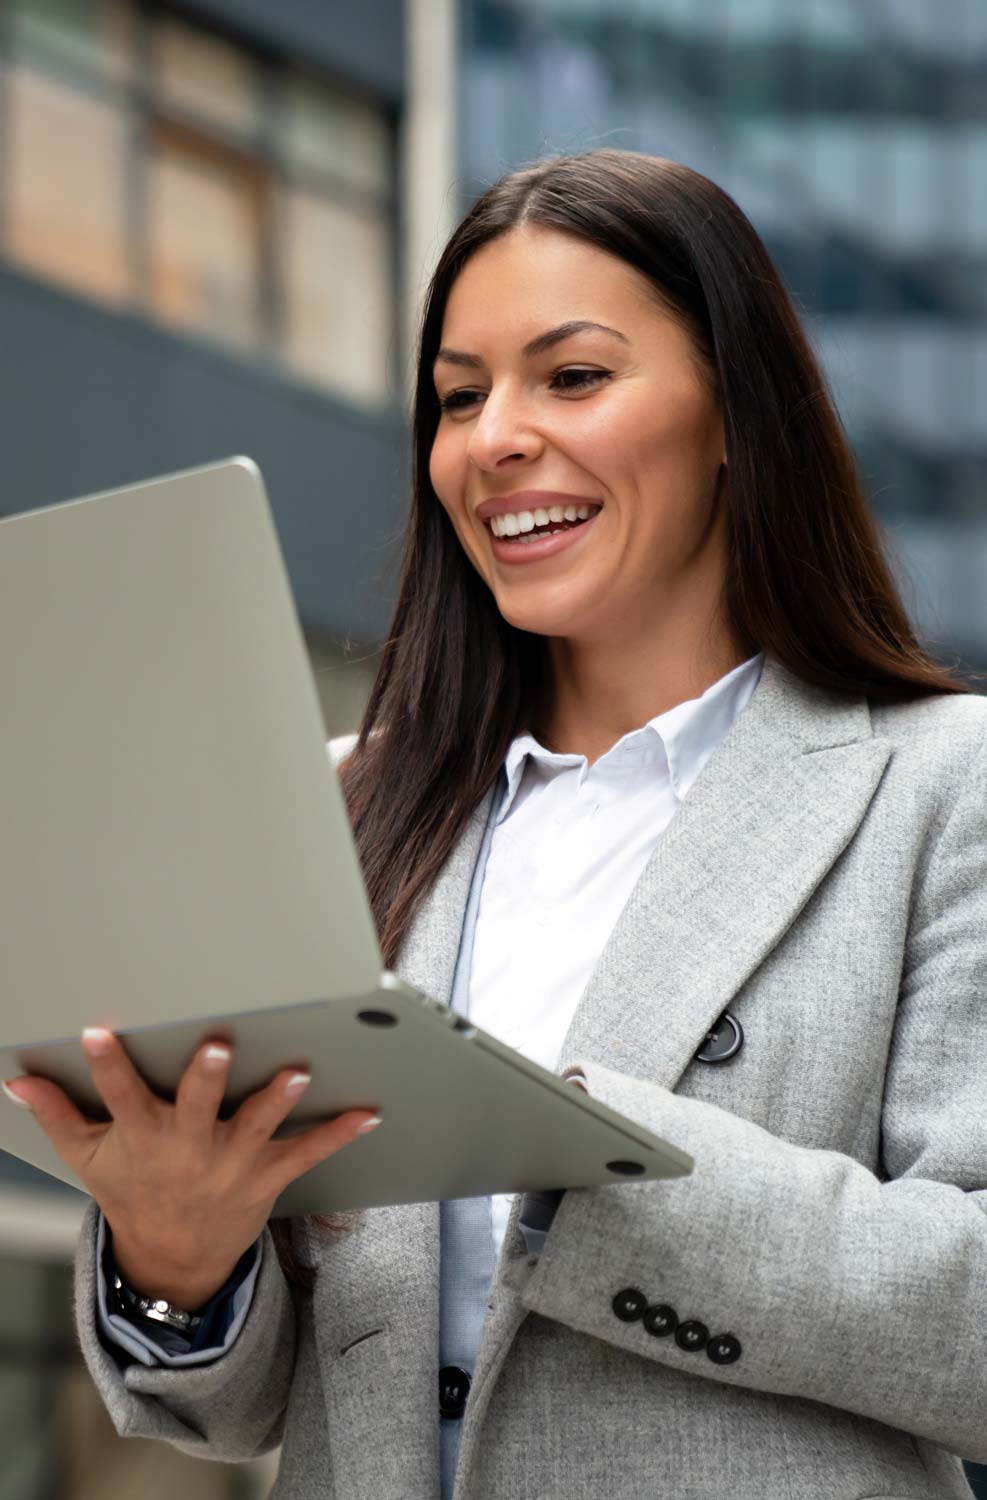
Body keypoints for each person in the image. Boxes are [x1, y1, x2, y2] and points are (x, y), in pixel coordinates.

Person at [4, 147, 987, 1500]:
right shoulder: (342, 801)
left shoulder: (944, 786)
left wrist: (597, 1166)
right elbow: (239, 1408)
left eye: (571, 377)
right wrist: (180, 1251)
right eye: (459, 397)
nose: (493, 437)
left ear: (731, 417)